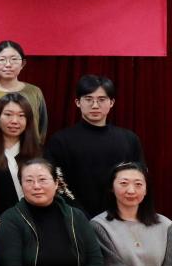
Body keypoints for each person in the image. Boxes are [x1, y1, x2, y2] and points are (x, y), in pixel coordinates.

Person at [44, 75, 145, 219]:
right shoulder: (60, 140)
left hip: (120, 217)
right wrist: (80, 216)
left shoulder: (129, 139)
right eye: (88, 99)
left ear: (112, 102)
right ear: (78, 102)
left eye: (101, 99)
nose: (95, 105)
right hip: (74, 219)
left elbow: (138, 179)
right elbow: (58, 182)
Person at [0, 92, 43, 227]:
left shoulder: (40, 152)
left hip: (37, 224)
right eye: (8, 114)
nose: (14, 121)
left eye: (21, 116)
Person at [0, 40, 49, 141]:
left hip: (28, 148)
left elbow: (42, 126)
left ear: (23, 63)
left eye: (14, 59)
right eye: (2, 59)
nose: (8, 64)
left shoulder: (34, 92)